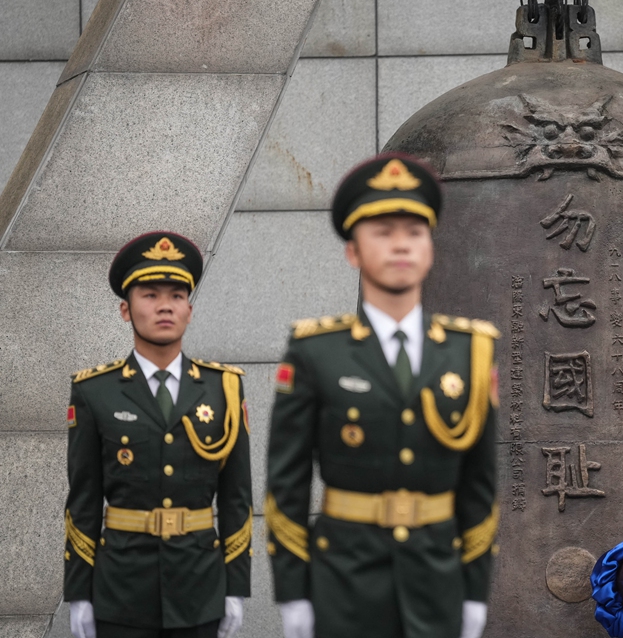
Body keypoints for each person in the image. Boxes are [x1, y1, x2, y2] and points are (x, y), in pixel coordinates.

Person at [265, 153, 499, 638]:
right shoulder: (316, 352)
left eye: (414, 232)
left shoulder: (470, 352)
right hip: (343, 580)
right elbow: (285, 486)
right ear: (353, 252)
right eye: (382, 233)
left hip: (437, 578)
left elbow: (480, 486)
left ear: (431, 248)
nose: (400, 246)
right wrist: (294, 593)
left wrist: (475, 591)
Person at [64, 232, 252, 638]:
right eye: (149, 294)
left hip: (201, 589)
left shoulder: (224, 389)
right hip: (120, 593)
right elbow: (83, 500)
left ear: (190, 309)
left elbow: (237, 498)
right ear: (125, 311)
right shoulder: (95, 391)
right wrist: (78, 592)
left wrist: (236, 587)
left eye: (177, 295)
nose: (165, 305)